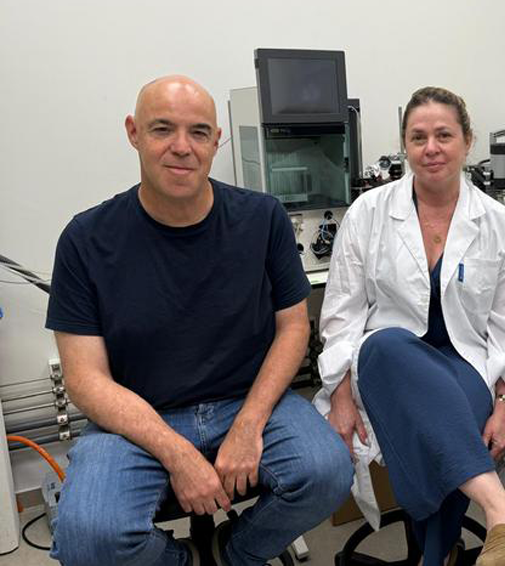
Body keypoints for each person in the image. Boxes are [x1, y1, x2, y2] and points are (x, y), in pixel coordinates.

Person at [45, 75, 353, 566]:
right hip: (139, 416)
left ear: (217, 141)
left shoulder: (263, 219)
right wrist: (176, 451)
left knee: (329, 473)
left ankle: (235, 554)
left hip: (245, 400)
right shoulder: (86, 239)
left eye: (199, 132)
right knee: (88, 538)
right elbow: (84, 379)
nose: (182, 147)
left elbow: (294, 327)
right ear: (133, 132)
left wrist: (249, 423)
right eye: (162, 129)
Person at [313, 86, 505, 566]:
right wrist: (341, 395)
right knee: (388, 345)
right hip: (386, 367)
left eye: (443, 135)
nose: (431, 148)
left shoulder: (497, 222)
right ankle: (502, 512)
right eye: (418, 137)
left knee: (452, 421)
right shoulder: (369, 213)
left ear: (467, 141)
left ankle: (439, 555)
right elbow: (341, 313)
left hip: (467, 364)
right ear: (405, 145)